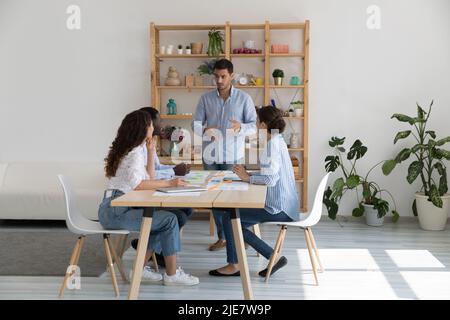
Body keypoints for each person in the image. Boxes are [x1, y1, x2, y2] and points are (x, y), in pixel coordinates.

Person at [98, 110, 199, 286]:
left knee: (162, 220)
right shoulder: (135, 152)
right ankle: (172, 275)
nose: (154, 127)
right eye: (151, 124)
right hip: (116, 210)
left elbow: (149, 179)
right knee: (169, 220)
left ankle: (140, 269)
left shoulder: (133, 148)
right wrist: (171, 184)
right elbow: (138, 185)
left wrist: (151, 151)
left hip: (116, 207)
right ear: (143, 128)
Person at [208, 106, 299, 277]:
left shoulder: (272, 145)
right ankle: (257, 259)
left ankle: (255, 260)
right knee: (233, 219)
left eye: (257, 122)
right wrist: (250, 174)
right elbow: (272, 173)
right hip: (286, 204)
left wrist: (247, 178)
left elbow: (271, 179)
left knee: (230, 218)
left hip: (279, 208)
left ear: (264, 125)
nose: (256, 125)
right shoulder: (278, 141)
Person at [192, 58, 257, 251]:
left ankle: (239, 235)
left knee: (233, 198)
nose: (219, 80)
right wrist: (204, 131)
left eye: (223, 76)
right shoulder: (205, 99)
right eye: (216, 76)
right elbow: (195, 125)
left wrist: (240, 127)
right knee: (214, 200)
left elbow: (254, 126)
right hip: (210, 157)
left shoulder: (244, 99)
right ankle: (222, 237)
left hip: (233, 156)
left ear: (232, 76)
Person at [130, 107, 193, 267]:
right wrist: (173, 172)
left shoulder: (149, 144)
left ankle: (155, 249)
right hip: (139, 198)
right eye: (159, 120)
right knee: (177, 216)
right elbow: (145, 178)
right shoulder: (137, 149)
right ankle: (156, 250)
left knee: (186, 209)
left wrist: (176, 169)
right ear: (149, 124)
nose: (162, 123)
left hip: (148, 192)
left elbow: (155, 170)